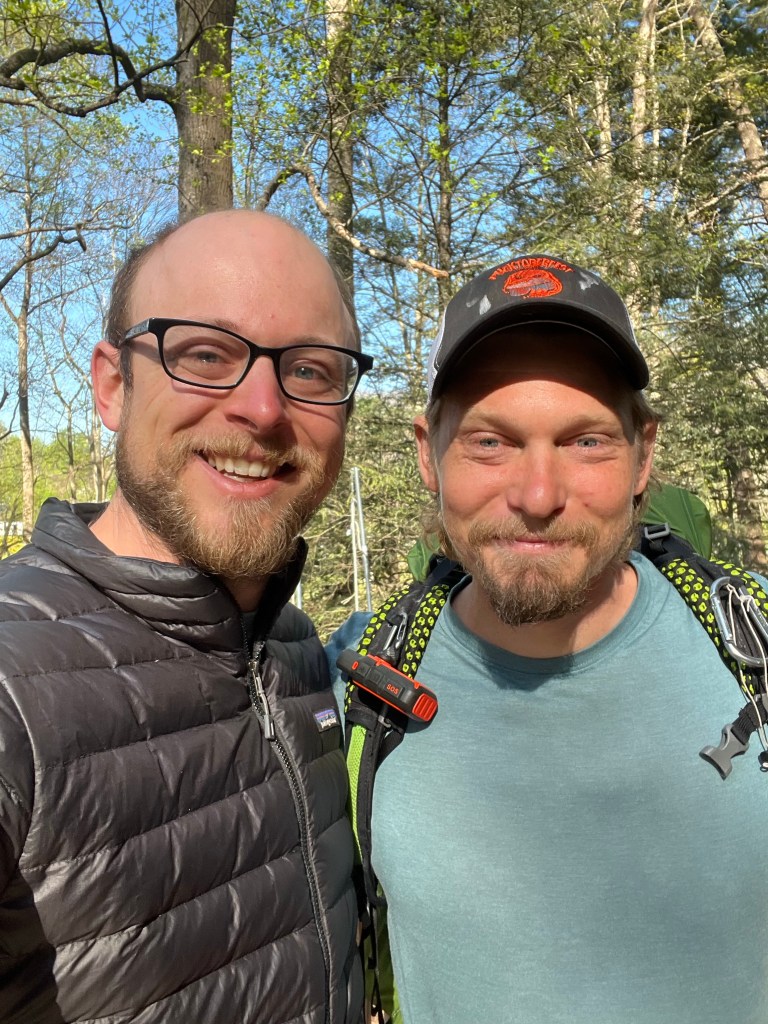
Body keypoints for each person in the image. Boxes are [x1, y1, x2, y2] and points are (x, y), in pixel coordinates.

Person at [328, 254, 768, 1024]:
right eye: (490, 442)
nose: (538, 496)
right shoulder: (361, 684)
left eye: (586, 441)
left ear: (644, 455)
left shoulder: (752, 647)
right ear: (428, 454)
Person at [0, 210, 372, 1023]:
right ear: (112, 386)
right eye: (205, 354)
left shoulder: (296, 649)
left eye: (310, 369)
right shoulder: (13, 680)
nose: (263, 409)